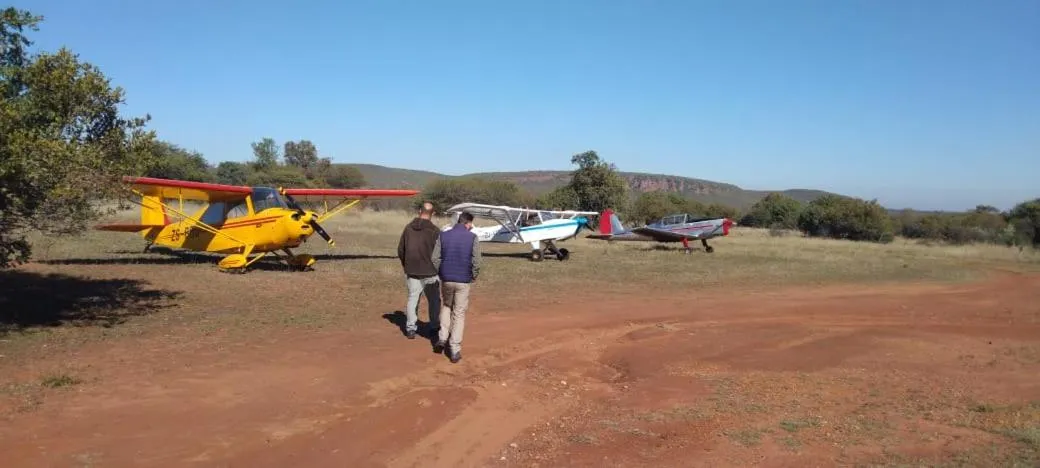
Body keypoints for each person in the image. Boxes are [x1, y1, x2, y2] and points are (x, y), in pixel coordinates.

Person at [433, 211, 481, 363]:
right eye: (471, 224)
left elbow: (435, 257)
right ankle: (454, 348)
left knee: (447, 306)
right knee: (459, 313)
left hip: (446, 278)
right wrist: (474, 274)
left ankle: (442, 337)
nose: (471, 226)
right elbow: (477, 260)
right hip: (463, 280)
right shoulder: (472, 237)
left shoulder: (443, 235)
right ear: (467, 223)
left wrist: (440, 272)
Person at [396, 202, 442, 339]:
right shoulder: (435, 231)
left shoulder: (408, 228)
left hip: (412, 270)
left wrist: (406, 265)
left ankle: (410, 328)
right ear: (433, 214)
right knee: (434, 301)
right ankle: (434, 326)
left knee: (412, 299)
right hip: (430, 271)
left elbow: (400, 250)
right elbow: (440, 253)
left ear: (419, 211)